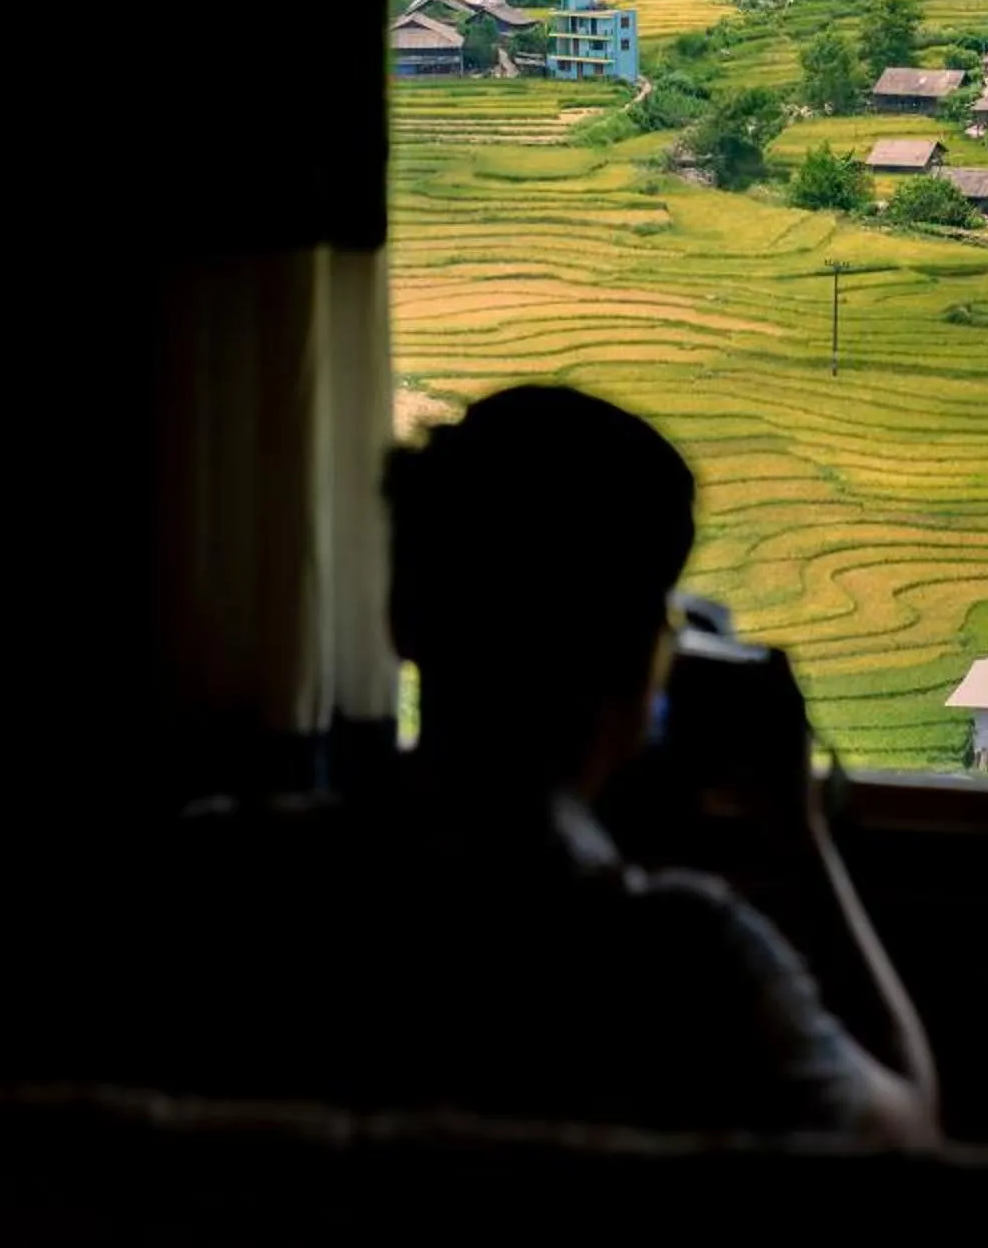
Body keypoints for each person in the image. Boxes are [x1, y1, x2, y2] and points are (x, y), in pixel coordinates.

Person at [169, 385, 939, 1144]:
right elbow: (907, 1139)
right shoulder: (688, 963)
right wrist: (803, 838)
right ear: (640, 660)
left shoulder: (220, 873)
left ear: (402, 613)